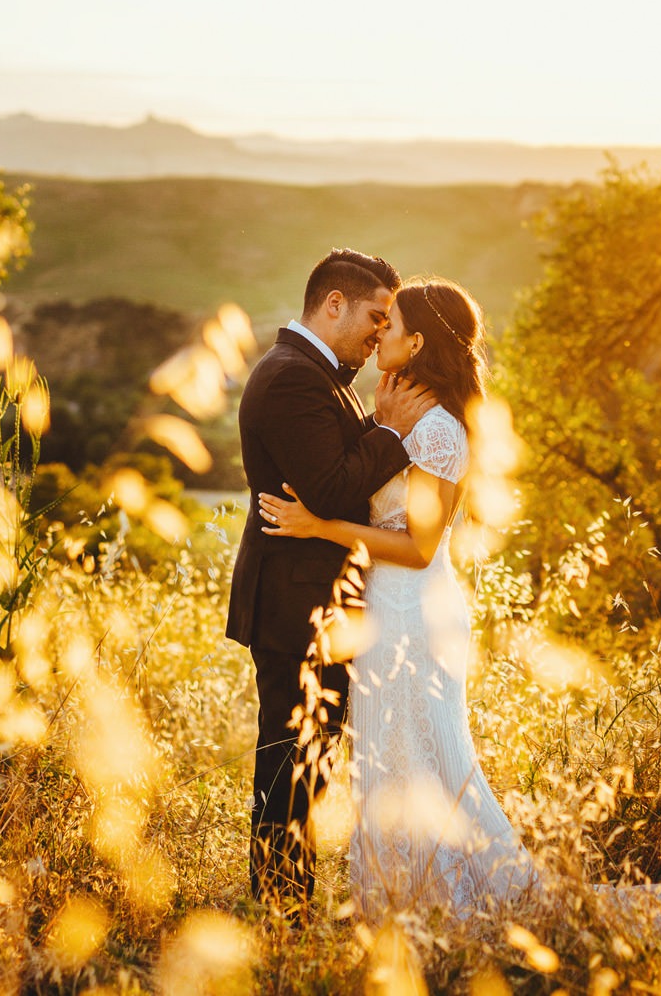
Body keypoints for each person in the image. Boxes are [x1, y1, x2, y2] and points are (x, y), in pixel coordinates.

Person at [257, 277, 661, 934]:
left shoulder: (438, 429)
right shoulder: (406, 410)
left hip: (410, 613)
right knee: (396, 766)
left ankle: (447, 913)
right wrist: (379, 424)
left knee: (422, 765)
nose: (379, 335)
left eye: (390, 324)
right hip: (385, 613)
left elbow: (419, 545)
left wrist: (321, 528)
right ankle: (403, 912)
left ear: (419, 341)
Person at [227, 248, 437, 920]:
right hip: (297, 606)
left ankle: (286, 907)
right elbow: (331, 488)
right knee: (290, 767)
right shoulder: (293, 378)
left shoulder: (318, 374)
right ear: (334, 303)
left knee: (305, 765)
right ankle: (281, 915)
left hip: (315, 602)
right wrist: (390, 433)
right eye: (376, 317)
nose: (382, 332)